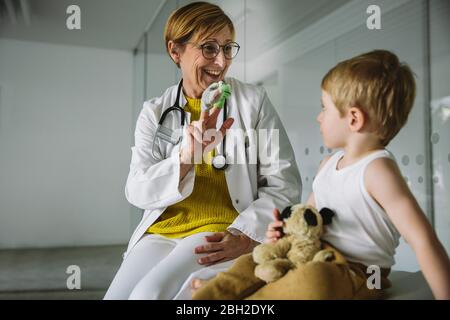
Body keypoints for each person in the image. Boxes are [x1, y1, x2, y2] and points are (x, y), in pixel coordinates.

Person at [191, 50, 450, 300]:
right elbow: (308, 218)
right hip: (310, 252)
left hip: (355, 273)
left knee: (315, 281)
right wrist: (283, 232)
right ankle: (216, 292)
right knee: (254, 259)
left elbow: (423, 240)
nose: (318, 117)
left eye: (324, 108)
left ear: (354, 119)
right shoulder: (328, 164)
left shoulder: (378, 171)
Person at [104, 2, 302, 300]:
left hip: (218, 229)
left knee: (149, 294)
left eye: (227, 48)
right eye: (208, 48)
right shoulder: (154, 112)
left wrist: (246, 235)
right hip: (160, 230)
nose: (221, 61)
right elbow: (137, 189)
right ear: (175, 51)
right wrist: (185, 158)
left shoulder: (254, 102)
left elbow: (284, 184)